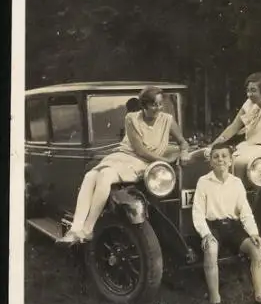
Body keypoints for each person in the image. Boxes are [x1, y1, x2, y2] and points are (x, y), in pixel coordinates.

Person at [57, 85, 190, 245]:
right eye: (154, 104)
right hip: (126, 157)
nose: (159, 108)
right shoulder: (131, 118)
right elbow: (139, 149)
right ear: (144, 105)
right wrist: (163, 161)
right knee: (91, 175)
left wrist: (183, 152)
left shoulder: (167, 120)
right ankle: (76, 229)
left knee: (104, 176)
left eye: (160, 104)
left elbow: (183, 142)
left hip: (144, 164)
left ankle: (87, 229)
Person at [192, 142, 261, 304]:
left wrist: (254, 233)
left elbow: (245, 212)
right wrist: (206, 234)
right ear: (211, 162)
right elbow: (197, 212)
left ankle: (260, 300)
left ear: (230, 161)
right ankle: (214, 302)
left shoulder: (236, 183)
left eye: (224, 156)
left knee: (256, 248)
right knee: (211, 250)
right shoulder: (203, 182)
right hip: (213, 227)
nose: (220, 159)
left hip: (233, 227)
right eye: (216, 156)